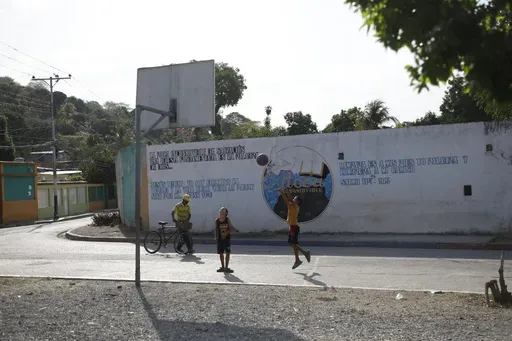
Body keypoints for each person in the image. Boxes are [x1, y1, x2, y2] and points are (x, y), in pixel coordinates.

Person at [278, 188, 311, 269]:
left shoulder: (296, 206)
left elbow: (289, 199)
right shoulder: (291, 206)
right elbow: (286, 200)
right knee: (293, 244)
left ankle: (299, 259)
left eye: (294, 199)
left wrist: (287, 192)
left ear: (297, 202)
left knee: (294, 244)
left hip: (294, 227)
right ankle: (303, 255)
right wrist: (282, 193)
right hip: (291, 227)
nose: (293, 199)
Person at [214, 207, 234, 273]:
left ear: (226, 213)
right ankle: (222, 267)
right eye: (221, 210)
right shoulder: (217, 220)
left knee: (227, 252)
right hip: (220, 239)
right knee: (221, 253)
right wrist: (216, 236)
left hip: (227, 239)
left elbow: (231, 228)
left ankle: (226, 267)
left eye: (223, 210)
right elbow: (216, 229)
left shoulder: (227, 220)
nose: (221, 211)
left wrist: (226, 233)